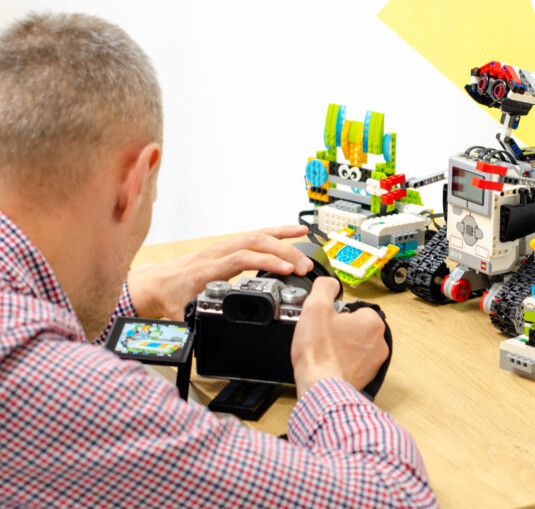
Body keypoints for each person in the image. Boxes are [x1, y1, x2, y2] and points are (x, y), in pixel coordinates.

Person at [0, 12, 437, 507]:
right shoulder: (61, 392)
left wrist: (131, 295)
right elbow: (399, 498)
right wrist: (323, 374)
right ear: (135, 180)